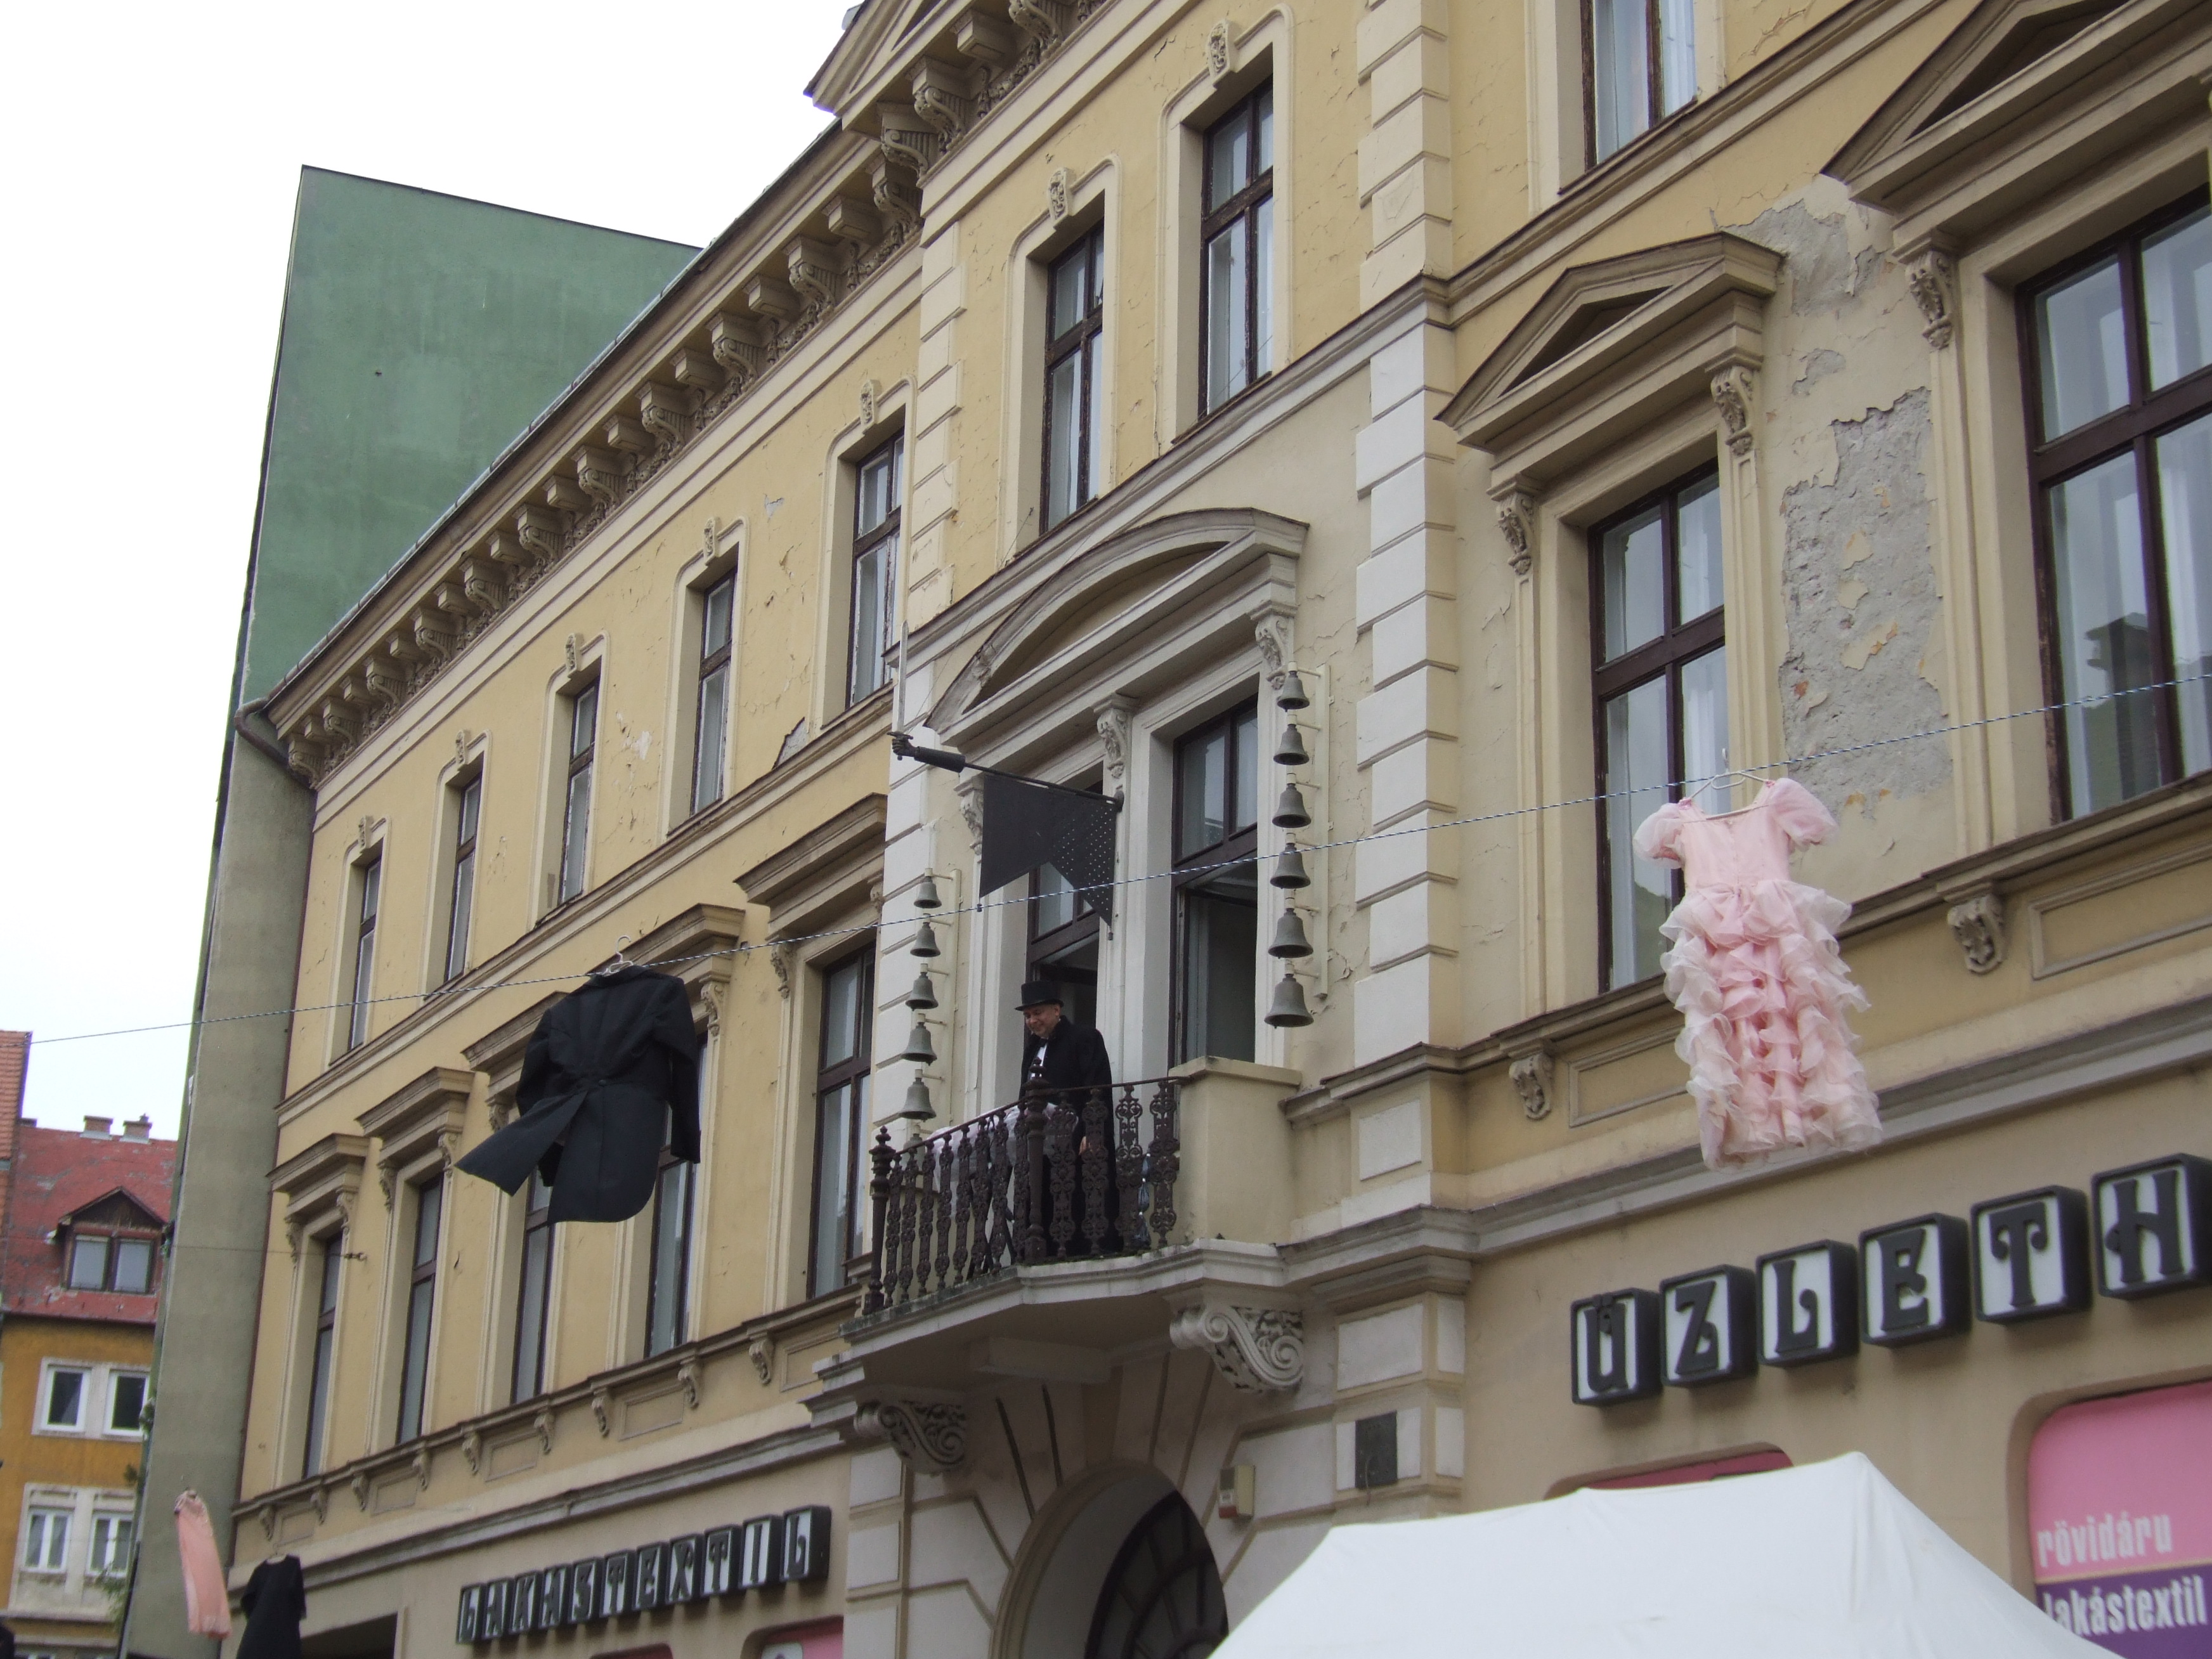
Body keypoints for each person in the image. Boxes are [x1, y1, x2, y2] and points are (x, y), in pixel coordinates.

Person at [1015, 981, 1119, 1254]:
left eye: (1038, 1013)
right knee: (1044, 1202)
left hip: (1076, 1140)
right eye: (1028, 1016)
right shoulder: (1032, 1050)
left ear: (1056, 1010)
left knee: (1080, 1200)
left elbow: (1097, 1087)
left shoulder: (1084, 1038)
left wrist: (1092, 1130)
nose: (1032, 1021)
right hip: (1042, 1145)